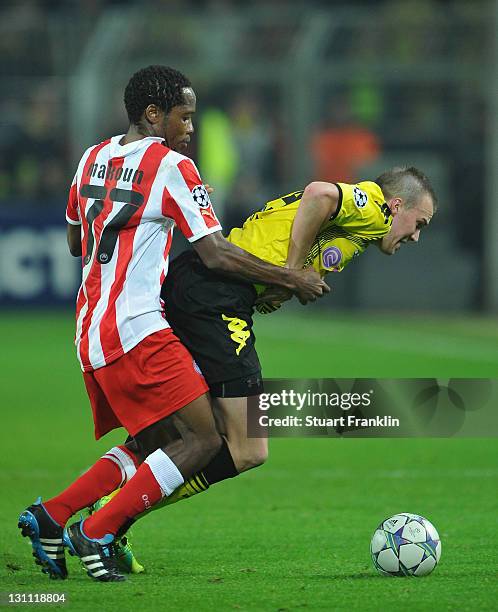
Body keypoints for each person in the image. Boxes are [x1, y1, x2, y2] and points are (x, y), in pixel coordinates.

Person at [17, 65, 328, 583]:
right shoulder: (170, 166)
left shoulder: (90, 158)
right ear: (153, 114)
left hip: (91, 331)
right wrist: (290, 277)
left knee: (157, 439)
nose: (190, 129)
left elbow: (76, 243)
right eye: (184, 117)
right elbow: (215, 254)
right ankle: (99, 531)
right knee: (204, 440)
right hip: (139, 328)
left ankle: (52, 514)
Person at [99, 166, 436, 570]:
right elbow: (319, 193)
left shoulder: (354, 238)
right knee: (248, 447)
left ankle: (84, 512)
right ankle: (113, 517)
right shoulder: (375, 208)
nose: (417, 236)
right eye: (419, 223)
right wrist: (291, 274)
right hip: (217, 294)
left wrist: (286, 285)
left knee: (185, 432)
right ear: (398, 205)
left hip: (202, 284)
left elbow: (307, 242)